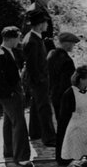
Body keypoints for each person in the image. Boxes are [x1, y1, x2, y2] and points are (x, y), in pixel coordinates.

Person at [0, 26, 32, 166]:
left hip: (9, 94)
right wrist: (11, 93)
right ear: (11, 38)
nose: (19, 41)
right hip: (9, 95)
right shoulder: (1, 55)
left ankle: (9, 152)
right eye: (18, 38)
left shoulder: (8, 52)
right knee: (19, 123)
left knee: (9, 123)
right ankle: (21, 157)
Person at [22, 9, 56, 147]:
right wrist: (40, 80)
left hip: (38, 79)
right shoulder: (32, 41)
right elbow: (32, 65)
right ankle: (49, 138)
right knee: (44, 108)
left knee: (36, 106)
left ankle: (35, 132)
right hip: (39, 80)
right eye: (45, 22)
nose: (47, 25)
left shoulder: (34, 37)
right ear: (40, 24)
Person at [49, 32, 80, 165]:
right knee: (67, 129)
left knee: (61, 128)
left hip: (54, 95)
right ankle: (65, 157)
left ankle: (60, 157)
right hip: (64, 98)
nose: (73, 46)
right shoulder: (67, 61)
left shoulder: (51, 55)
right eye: (72, 43)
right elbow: (67, 84)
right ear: (66, 43)